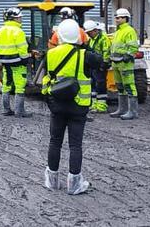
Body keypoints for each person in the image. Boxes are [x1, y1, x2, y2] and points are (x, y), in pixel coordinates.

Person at [41, 18, 100, 195]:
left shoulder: (50, 54)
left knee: (55, 141)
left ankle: (52, 181)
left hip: (57, 105)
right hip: (78, 107)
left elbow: (48, 76)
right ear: (78, 36)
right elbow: (100, 62)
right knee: (75, 145)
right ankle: (74, 184)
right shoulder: (85, 55)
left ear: (59, 35)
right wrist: (86, 45)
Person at [0, 7, 32, 117]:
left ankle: (6, 110)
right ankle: (19, 112)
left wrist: (1, 58)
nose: (21, 19)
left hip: (5, 61)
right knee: (20, 86)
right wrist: (26, 59)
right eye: (19, 17)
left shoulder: (0, 30)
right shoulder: (18, 31)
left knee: (6, 84)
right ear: (15, 18)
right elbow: (22, 48)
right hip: (17, 62)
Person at [108, 8, 141, 120]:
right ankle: (122, 109)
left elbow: (133, 46)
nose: (116, 20)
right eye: (116, 18)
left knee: (129, 86)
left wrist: (128, 55)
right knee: (120, 86)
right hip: (116, 62)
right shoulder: (118, 32)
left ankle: (133, 112)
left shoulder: (129, 31)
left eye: (118, 18)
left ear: (125, 18)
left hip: (125, 63)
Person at [84, 20, 111, 113]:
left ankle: (102, 106)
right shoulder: (92, 39)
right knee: (93, 85)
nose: (88, 34)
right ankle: (94, 104)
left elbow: (106, 52)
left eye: (89, 32)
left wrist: (104, 64)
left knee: (100, 85)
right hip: (93, 65)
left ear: (95, 30)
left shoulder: (103, 38)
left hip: (100, 65)